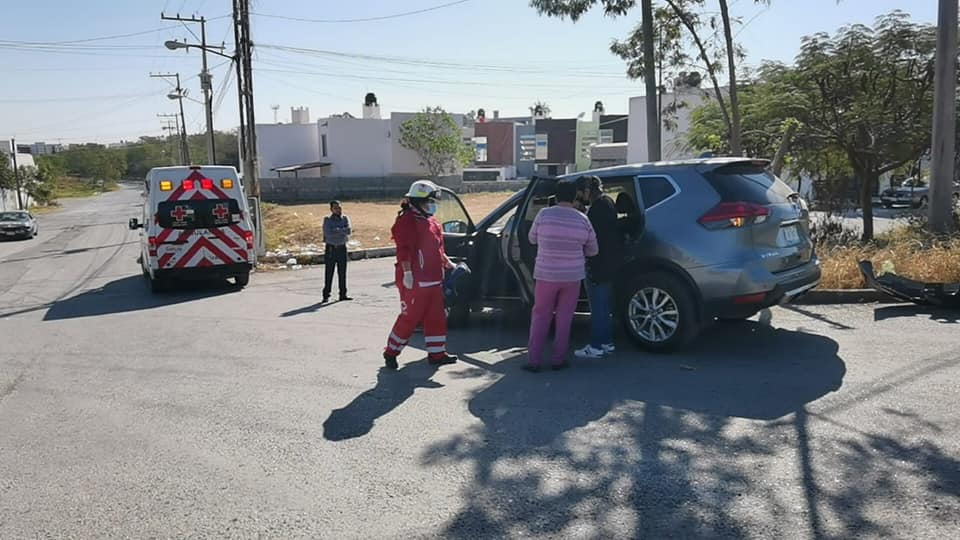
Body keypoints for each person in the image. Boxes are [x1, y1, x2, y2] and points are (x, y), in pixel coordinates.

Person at [382, 180, 458, 370]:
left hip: (433, 280)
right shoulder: (406, 222)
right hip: (414, 280)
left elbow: (437, 248)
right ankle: (391, 351)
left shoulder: (432, 222)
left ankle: (437, 354)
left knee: (437, 318)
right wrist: (407, 272)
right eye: (428, 202)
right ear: (417, 202)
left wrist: (446, 262)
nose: (432, 206)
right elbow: (404, 250)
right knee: (410, 318)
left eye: (433, 202)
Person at [525, 180, 599, 372]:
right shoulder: (583, 219)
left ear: (556, 196)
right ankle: (558, 359)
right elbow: (593, 250)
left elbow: (532, 239)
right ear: (575, 197)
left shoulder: (543, 215)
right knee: (565, 317)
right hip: (572, 277)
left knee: (541, 315)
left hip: (546, 274)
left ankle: (534, 360)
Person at [575, 176, 623, 359]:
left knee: (598, 307)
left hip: (598, 263)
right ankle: (606, 342)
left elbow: (592, 237)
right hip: (610, 262)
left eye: (581, 192)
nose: (580, 197)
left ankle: (596, 345)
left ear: (587, 190)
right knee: (604, 306)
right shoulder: (608, 203)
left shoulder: (597, 210)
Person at [322, 200, 352, 303]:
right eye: (335, 208)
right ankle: (326, 294)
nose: (338, 210)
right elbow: (328, 233)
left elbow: (348, 231)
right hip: (331, 248)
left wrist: (336, 230)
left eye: (339, 207)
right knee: (329, 272)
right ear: (331, 209)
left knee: (342, 272)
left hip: (342, 248)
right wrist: (340, 230)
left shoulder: (344, 218)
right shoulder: (327, 220)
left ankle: (343, 294)